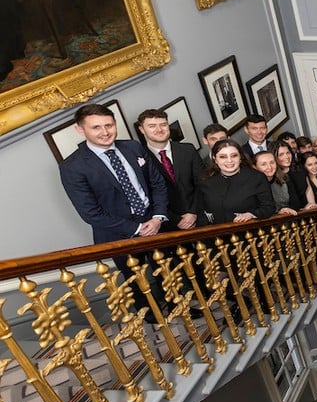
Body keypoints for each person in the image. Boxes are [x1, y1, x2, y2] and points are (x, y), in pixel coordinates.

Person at [59, 104, 170, 311]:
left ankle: (177, 306)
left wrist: (157, 218)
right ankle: (150, 314)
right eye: (96, 127)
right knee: (135, 280)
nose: (105, 132)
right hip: (117, 234)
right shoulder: (72, 167)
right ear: (80, 130)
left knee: (166, 271)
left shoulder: (133, 147)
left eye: (109, 125)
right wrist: (137, 228)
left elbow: (157, 184)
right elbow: (91, 213)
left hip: (154, 222)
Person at [136, 108, 203, 231]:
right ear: (142, 129)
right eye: (152, 126)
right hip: (167, 225)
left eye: (163, 124)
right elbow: (146, 196)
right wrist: (177, 220)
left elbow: (202, 183)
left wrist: (193, 212)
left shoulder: (188, 150)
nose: (159, 129)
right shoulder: (138, 159)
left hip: (200, 217)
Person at [195, 139, 276, 224]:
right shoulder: (205, 180)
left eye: (234, 156)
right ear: (215, 159)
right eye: (223, 157)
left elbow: (269, 207)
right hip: (216, 230)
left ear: (240, 157)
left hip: (248, 229)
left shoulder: (256, 177)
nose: (229, 160)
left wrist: (251, 214)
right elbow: (200, 213)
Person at [253, 151, 298, 216]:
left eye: (272, 162)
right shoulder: (252, 185)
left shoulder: (284, 179)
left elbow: (295, 203)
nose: (269, 167)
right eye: (264, 164)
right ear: (255, 167)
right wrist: (277, 212)